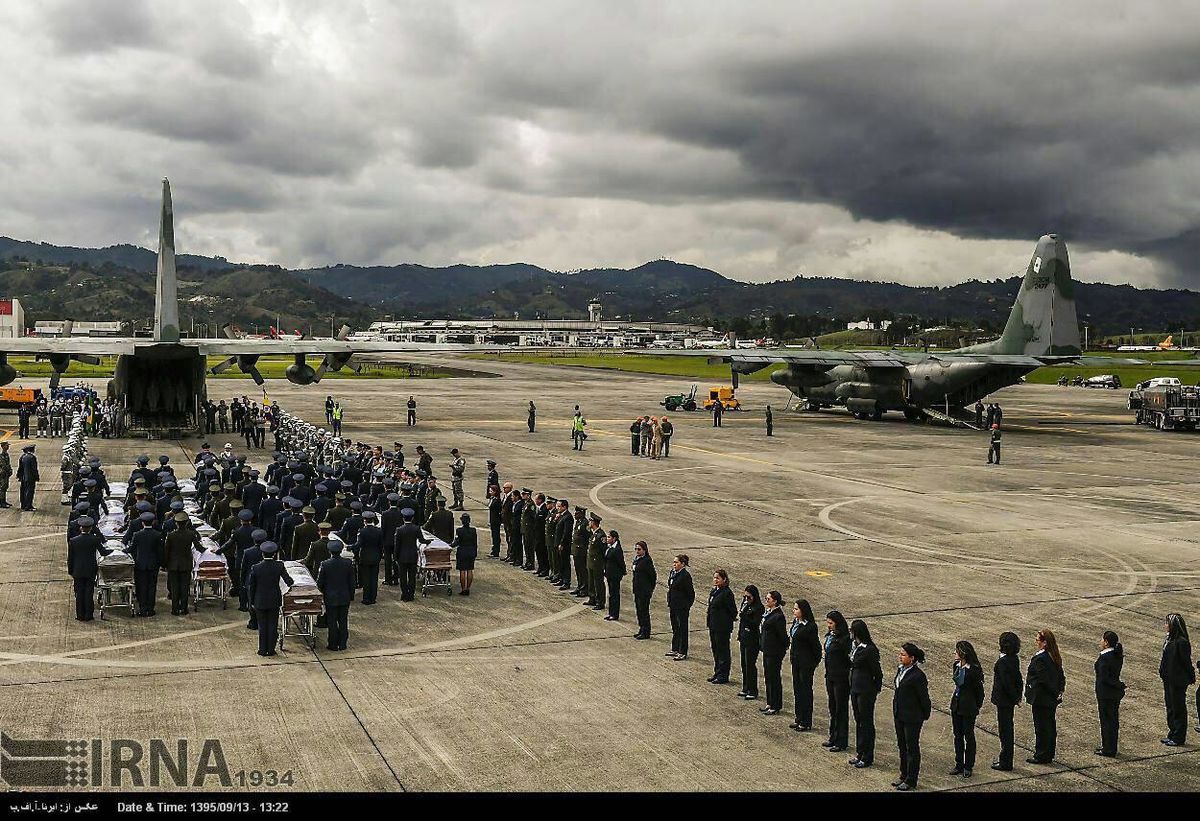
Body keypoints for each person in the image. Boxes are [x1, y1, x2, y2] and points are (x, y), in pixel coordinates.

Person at [892, 642, 932, 791]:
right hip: (899, 714)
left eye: (903, 655)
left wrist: (924, 714)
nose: (900, 657)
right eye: (900, 654)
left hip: (912, 717)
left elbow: (924, 698)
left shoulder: (918, 676)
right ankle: (903, 774)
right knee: (902, 746)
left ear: (912, 658)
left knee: (912, 748)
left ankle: (911, 779)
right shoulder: (901, 670)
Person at [1026, 628, 1066, 763]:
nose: (1036, 642)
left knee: (1041, 727)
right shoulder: (1054, 656)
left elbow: (1042, 679)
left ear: (1044, 643)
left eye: (1038, 640)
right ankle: (1049, 752)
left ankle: (1041, 754)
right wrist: (1059, 691)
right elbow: (1061, 676)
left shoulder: (1041, 659)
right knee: (1049, 726)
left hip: (1042, 698)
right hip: (1051, 699)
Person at [848, 619, 883, 768]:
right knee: (859, 721)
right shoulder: (856, 647)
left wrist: (875, 689)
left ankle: (867, 756)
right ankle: (860, 752)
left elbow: (877, 672)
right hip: (855, 688)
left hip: (866, 690)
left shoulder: (869, 649)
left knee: (866, 722)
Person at [247, 541, 293, 656]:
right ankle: (271, 650)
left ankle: (262, 650)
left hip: (260, 600)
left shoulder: (256, 568)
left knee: (262, 626)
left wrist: (251, 601)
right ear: (274, 554)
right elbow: (289, 581)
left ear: (262, 554)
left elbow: (251, 586)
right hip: (274, 600)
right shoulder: (279, 566)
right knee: (273, 625)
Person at [949, 640, 986, 777]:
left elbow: (979, 692)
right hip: (957, 705)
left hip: (968, 707)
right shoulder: (956, 666)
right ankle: (959, 763)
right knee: (957, 736)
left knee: (968, 736)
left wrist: (976, 705)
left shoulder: (973, 670)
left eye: (957, 651)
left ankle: (968, 765)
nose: (955, 653)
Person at [1159, 613, 1194, 747]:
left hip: (1178, 680)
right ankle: (1172, 732)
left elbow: (1186, 661)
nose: (1165, 625)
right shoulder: (1169, 640)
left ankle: (1179, 736)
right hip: (1168, 678)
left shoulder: (1181, 642)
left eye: (1167, 623)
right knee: (1170, 706)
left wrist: (1190, 676)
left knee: (1178, 707)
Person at [990, 631, 1024, 771]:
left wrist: (1015, 698)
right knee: (1007, 729)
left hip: (1004, 701)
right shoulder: (1013, 659)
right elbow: (1018, 679)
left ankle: (1005, 761)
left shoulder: (1003, 662)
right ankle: (1006, 759)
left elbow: (1006, 683)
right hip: (1009, 700)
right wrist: (1017, 696)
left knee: (1005, 731)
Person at [67, 516, 109, 621]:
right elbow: (103, 552)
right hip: (90, 569)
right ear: (90, 528)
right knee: (89, 592)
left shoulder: (73, 541)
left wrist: (71, 570)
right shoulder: (95, 539)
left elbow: (70, 558)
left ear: (81, 528)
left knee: (79, 592)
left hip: (77, 569)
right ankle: (89, 614)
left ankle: (80, 614)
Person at [789, 599, 822, 732]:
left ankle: (806, 720)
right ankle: (799, 717)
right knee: (797, 690)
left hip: (805, 663)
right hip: (796, 661)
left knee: (805, 691)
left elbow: (816, 647)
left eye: (796, 609)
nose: (794, 611)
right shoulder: (796, 623)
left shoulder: (810, 627)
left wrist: (813, 662)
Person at [822, 610, 852, 752]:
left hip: (840, 678)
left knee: (841, 709)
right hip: (830, 676)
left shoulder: (845, 639)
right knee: (833, 708)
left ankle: (841, 740)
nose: (829, 626)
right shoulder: (830, 636)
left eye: (831, 623)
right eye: (828, 623)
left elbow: (848, 659)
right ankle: (833, 736)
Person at [318, 540, 355, 651]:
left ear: (330, 551)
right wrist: (351, 596)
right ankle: (343, 644)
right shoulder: (348, 563)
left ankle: (333, 644)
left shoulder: (325, 564)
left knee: (332, 622)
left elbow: (320, 582)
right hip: (345, 597)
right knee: (343, 621)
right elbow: (352, 582)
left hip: (330, 597)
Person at [1095, 630, 1126, 757]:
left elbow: (1104, 678)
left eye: (1102, 640)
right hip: (1113, 694)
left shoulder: (1105, 658)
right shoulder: (1116, 655)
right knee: (1113, 721)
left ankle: (1107, 748)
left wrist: (1118, 684)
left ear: (1106, 642)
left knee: (1106, 721)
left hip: (1105, 694)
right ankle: (1110, 746)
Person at [128, 512, 164, 616]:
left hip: (140, 564)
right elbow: (160, 552)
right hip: (153, 565)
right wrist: (160, 563)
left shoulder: (137, 534)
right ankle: (151, 608)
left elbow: (132, 548)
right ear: (152, 522)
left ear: (142, 523)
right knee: (152, 586)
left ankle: (143, 608)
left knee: (141, 586)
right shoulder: (157, 535)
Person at [705, 568, 737, 684]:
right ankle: (717, 672)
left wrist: (725, 620)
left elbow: (733, 611)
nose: (715, 580)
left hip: (722, 627)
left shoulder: (727, 593)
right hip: (713, 625)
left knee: (723, 650)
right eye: (714, 578)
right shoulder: (714, 591)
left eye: (718, 578)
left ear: (724, 579)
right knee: (715, 650)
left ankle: (723, 675)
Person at [760, 591, 789, 715]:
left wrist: (782, 648)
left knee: (774, 677)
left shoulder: (778, 616)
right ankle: (770, 702)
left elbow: (782, 635)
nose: (766, 601)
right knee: (768, 677)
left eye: (768, 599)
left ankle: (776, 704)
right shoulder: (769, 613)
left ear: (775, 601)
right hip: (767, 649)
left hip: (774, 651)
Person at [737, 585, 765, 700]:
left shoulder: (758, 607)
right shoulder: (745, 605)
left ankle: (753, 690)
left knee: (750, 665)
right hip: (744, 637)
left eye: (749, 597)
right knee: (744, 664)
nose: (746, 599)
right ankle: (746, 687)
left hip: (752, 639)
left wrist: (744, 616)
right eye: (745, 597)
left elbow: (754, 623)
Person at [394, 508, 428, 602]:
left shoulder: (399, 530)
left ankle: (404, 594)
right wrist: (428, 541)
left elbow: (397, 545)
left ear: (403, 518)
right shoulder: (416, 528)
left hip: (402, 556)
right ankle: (411, 595)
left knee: (403, 577)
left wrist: (395, 557)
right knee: (412, 577)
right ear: (412, 518)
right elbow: (422, 540)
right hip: (413, 556)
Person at [350, 510, 383, 605]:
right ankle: (373, 598)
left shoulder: (362, 531)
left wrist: (350, 547)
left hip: (365, 557)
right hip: (375, 556)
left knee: (366, 578)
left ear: (364, 520)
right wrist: (379, 555)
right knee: (374, 578)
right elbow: (381, 546)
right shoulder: (378, 531)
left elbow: (358, 544)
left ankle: (366, 598)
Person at [667, 554, 695, 661]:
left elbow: (691, 593)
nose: (674, 564)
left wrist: (686, 606)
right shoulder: (673, 573)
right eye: (674, 562)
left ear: (683, 564)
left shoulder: (685, 576)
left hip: (681, 607)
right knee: (675, 627)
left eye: (676, 562)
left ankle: (682, 651)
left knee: (683, 629)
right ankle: (675, 648)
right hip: (673, 605)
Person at [631, 541, 656, 639]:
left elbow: (653, 576)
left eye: (639, 549)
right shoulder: (637, 559)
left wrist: (650, 589)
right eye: (636, 549)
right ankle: (641, 629)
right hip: (637, 589)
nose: (637, 551)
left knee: (644, 611)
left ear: (644, 550)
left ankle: (646, 632)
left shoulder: (647, 561)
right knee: (639, 610)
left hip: (644, 591)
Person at [451, 513, 478, 595]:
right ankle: (468, 588)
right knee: (470, 570)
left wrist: (450, 545)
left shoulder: (459, 531)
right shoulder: (473, 530)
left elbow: (456, 542)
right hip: (471, 551)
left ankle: (463, 589)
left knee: (462, 571)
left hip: (462, 551)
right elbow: (475, 542)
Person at [602, 528, 625, 620]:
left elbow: (621, 562)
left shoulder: (617, 549)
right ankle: (611, 613)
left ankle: (615, 614)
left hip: (615, 575)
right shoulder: (609, 547)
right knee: (611, 594)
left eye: (609, 537)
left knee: (615, 595)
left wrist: (622, 572)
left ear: (614, 539)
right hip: (609, 574)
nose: (607, 539)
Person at [17, 443, 38, 511]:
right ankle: (28, 506)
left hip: (23, 477)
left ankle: (23, 505)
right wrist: (36, 476)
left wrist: (19, 476)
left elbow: (20, 468)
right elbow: (34, 469)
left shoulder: (22, 457)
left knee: (23, 491)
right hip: (30, 478)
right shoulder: (32, 457)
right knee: (30, 492)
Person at [487, 485, 503, 558]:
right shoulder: (492, 499)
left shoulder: (497, 500)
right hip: (492, 520)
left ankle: (496, 551)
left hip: (496, 521)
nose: (490, 492)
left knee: (496, 536)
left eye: (491, 491)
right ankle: (494, 550)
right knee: (494, 536)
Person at [0, 440, 11, 508]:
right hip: (2, 474)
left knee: (5, 487)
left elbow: (8, 464)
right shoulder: (1, 456)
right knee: (2, 488)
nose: (8, 447)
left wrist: (10, 470)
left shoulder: (6, 454)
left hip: (6, 474)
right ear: (3, 446)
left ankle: (4, 501)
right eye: (6, 445)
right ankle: (2, 502)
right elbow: (3, 465)